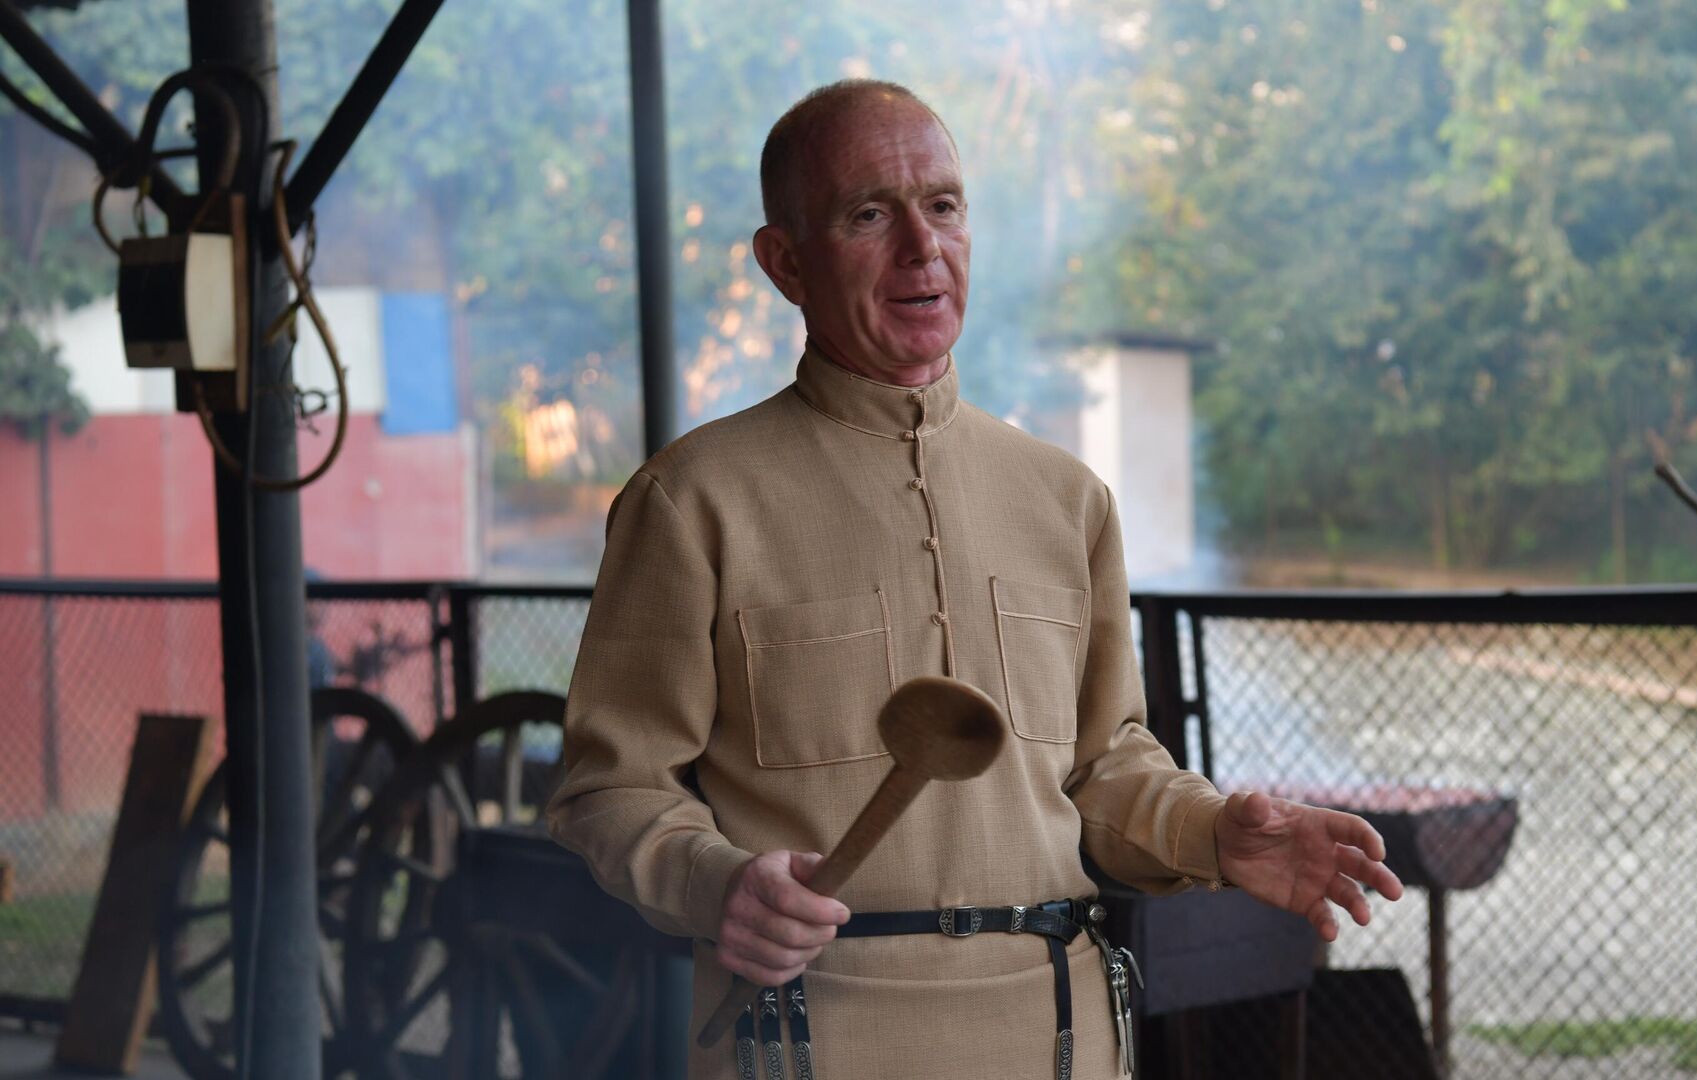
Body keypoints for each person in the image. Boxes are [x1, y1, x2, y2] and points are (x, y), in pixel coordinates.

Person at [546, 80, 1403, 1080]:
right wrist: (715, 883)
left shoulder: (1067, 498)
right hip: (810, 1039)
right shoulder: (692, 499)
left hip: (1063, 1036)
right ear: (785, 262)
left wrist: (1212, 832)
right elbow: (610, 788)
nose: (923, 248)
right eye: (870, 215)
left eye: (944, 206)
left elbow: (1101, 770)